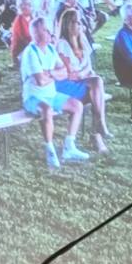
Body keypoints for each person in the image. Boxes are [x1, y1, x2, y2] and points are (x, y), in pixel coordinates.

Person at [21, 14, 89, 171]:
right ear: (36, 33)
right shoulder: (31, 52)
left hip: (51, 94)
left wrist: (50, 73)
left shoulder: (51, 48)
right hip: (33, 97)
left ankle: (69, 147)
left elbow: (65, 72)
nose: (50, 33)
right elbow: (40, 81)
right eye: (46, 30)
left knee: (77, 106)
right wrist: (54, 75)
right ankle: (50, 150)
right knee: (46, 109)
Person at [56, 7, 109, 152]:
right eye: (76, 22)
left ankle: (98, 130)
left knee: (96, 89)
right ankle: (98, 132)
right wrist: (84, 74)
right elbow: (70, 74)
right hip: (66, 86)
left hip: (81, 83)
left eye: (80, 22)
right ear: (68, 24)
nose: (80, 25)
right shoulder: (62, 44)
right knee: (97, 88)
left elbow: (89, 68)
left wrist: (83, 74)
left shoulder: (83, 41)